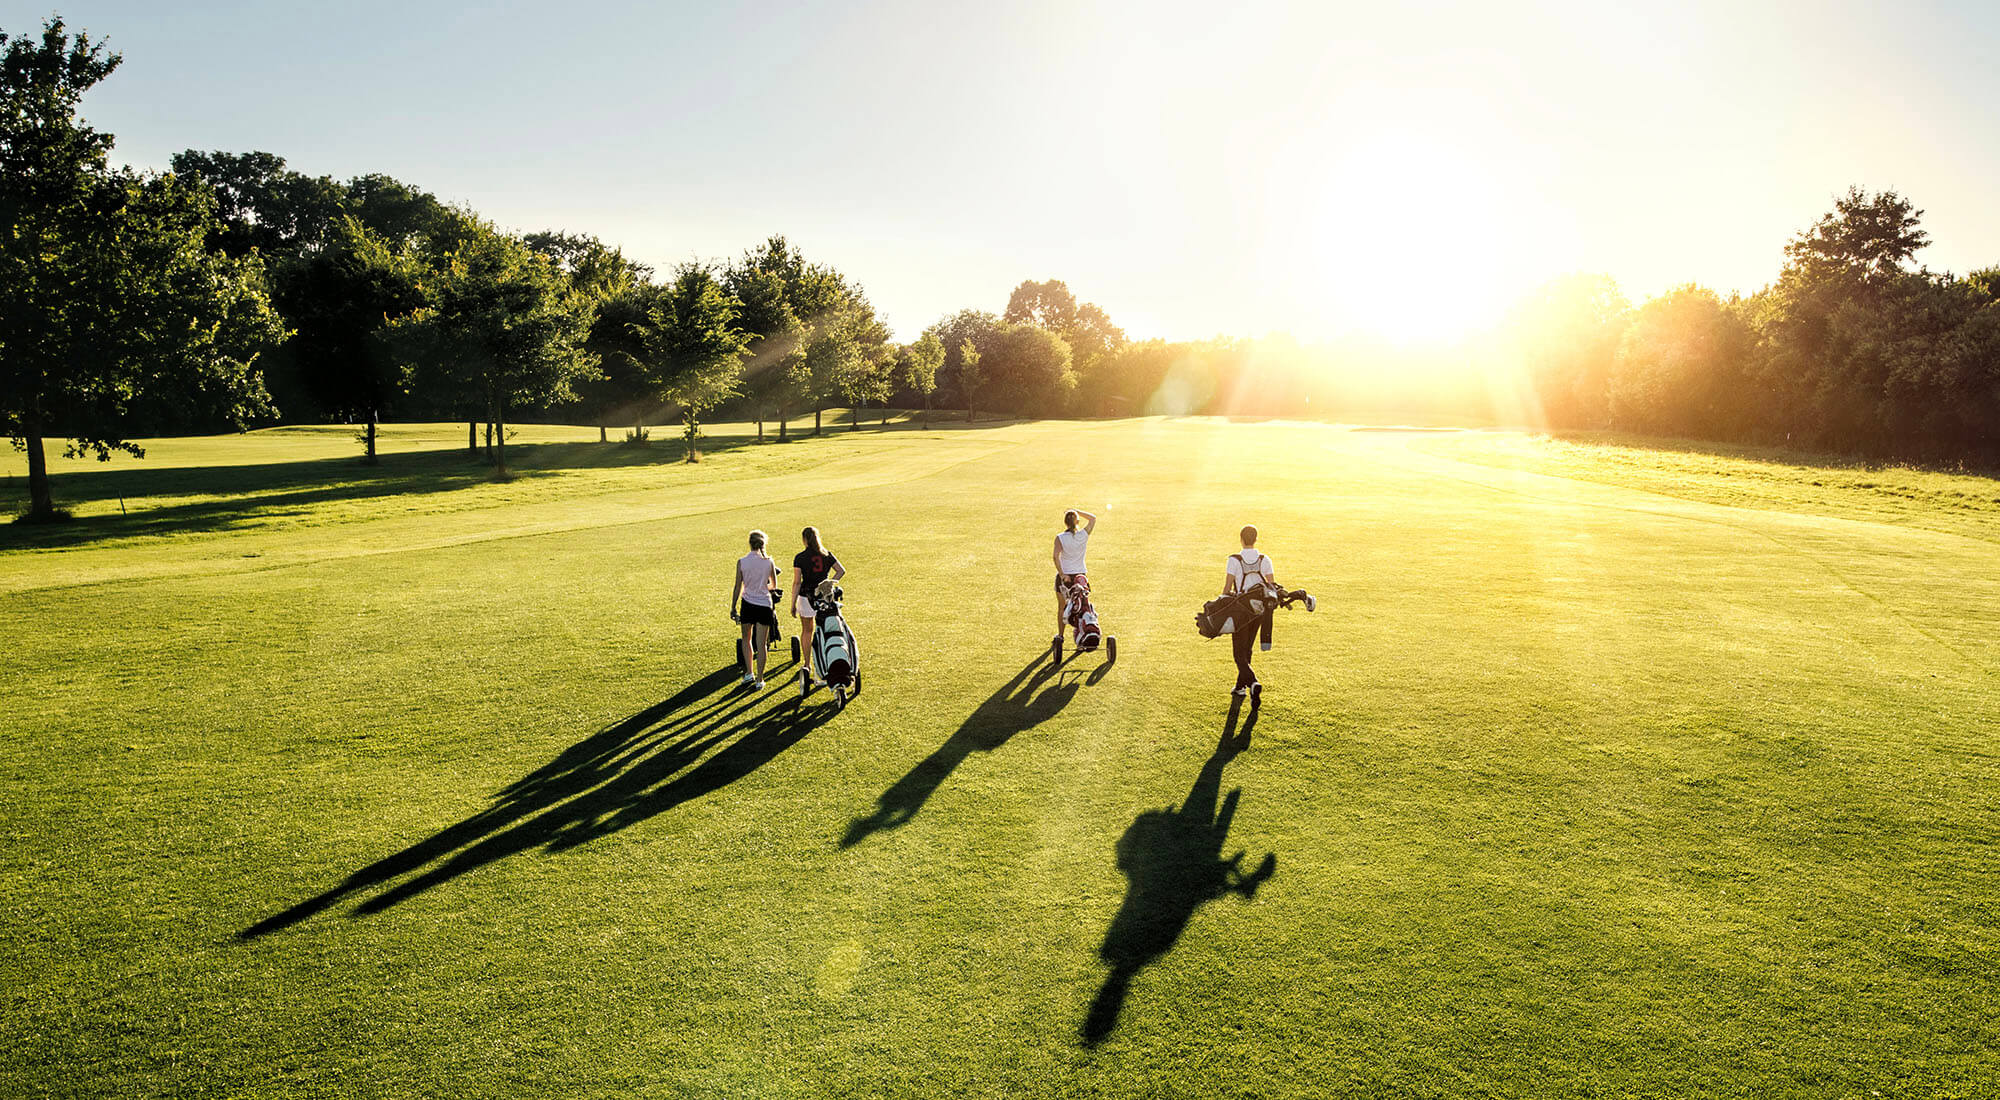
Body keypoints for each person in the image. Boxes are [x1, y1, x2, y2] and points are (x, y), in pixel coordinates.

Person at [1223, 524, 1278, 705]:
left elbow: (1227, 589)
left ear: (1241, 539)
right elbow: (1271, 586)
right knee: (1247, 649)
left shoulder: (1234, 560)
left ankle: (1253, 682)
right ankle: (1241, 687)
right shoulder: (1265, 559)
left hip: (1241, 611)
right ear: (1255, 539)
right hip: (1260, 610)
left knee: (1239, 653)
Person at [790, 526, 845, 683]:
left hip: (806, 598)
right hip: (825, 597)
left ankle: (807, 664)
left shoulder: (800, 557)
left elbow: (796, 582)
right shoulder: (826, 554)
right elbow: (841, 570)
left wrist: (792, 603)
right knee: (825, 630)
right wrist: (829, 583)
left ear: (805, 539)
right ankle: (828, 661)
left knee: (807, 631)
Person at [730, 530, 780, 688]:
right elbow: (774, 585)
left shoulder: (742, 562)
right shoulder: (769, 561)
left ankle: (749, 673)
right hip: (764, 604)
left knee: (747, 639)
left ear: (750, 543)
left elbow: (738, 586)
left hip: (748, 603)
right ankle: (760, 679)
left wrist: (733, 606)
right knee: (762, 643)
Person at [1053, 508, 1097, 648]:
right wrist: (1076, 510)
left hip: (1065, 579)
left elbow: (1055, 556)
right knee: (1081, 606)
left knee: (1063, 607)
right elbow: (1093, 518)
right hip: (1081, 577)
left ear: (1065, 522)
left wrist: (1062, 574)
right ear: (1077, 521)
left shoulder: (1060, 537)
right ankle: (1081, 636)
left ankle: (1060, 636)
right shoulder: (1083, 535)